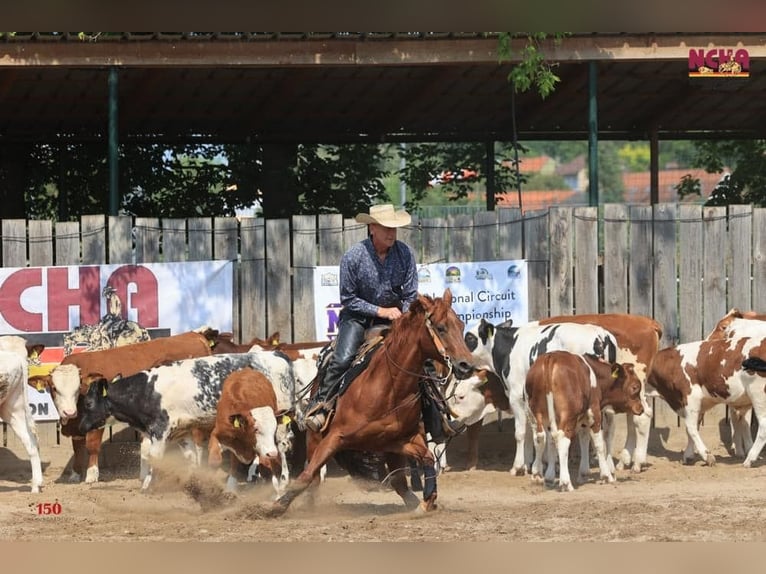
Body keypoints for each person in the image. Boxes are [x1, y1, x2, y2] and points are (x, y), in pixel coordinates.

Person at [303, 203, 465, 439]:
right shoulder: (354, 256)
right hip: (357, 318)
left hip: (396, 318)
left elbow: (410, 294)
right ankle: (320, 406)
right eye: (385, 228)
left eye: (394, 228)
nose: (391, 233)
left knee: (423, 361)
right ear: (372, 228)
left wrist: (403, 315)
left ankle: (438, 420)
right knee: (343, 357)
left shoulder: (404, 254)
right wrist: (381, 310)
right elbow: (348, 298)